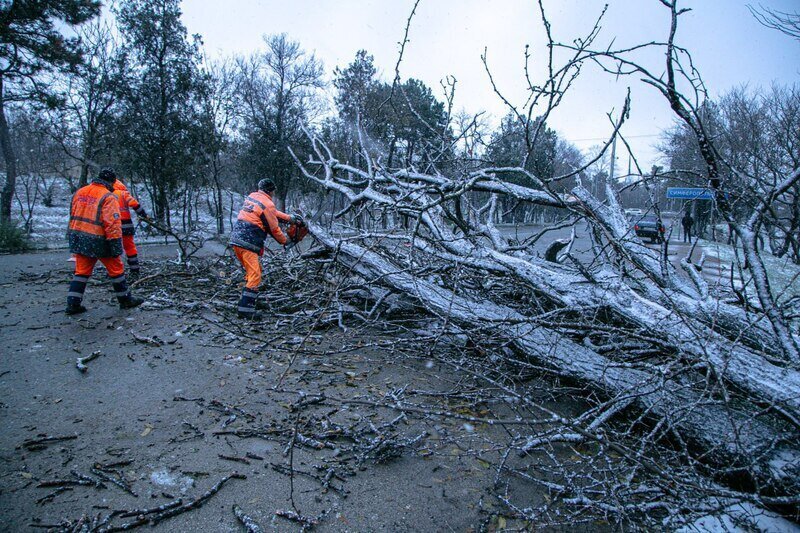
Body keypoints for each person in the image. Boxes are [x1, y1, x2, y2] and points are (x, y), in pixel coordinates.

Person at [65, 168, 144, 315]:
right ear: (111, 182)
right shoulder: (108, 196)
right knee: (116, 270)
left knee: (81, 272)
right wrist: (115, 245)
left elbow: (73, 214)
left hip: (80, 237)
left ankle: (72, 304)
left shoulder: (79, 192)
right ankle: (125, 300)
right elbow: (112, 223)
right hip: (100, 239)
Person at [229, 179, 303, 319]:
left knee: (251, 274)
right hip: (248, 241)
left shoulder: (253, 197)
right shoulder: (267, 203)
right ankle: (246, 310)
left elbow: (271, 213)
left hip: (237, 239)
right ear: (271, 190)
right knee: (255, 275)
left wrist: (290, 219)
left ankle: (246, 301)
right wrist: (286, 241)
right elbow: (274, 229)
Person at [112, 178, 148, 275]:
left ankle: (115, 271)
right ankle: (135, 269)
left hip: (113, 226)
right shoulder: (123, 193)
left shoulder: (106, 194)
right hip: (127, 225)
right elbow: (135, 204)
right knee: (130, 247)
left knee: (114, 248)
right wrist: (144, 215)